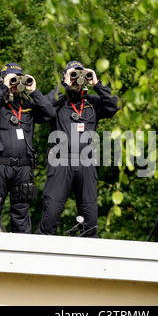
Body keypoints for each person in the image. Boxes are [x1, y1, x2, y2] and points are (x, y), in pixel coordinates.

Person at [36, 60, 119, 237]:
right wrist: (65, 85)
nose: (77, 79)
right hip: (60, 162)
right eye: (73, 75)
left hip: (86, 163)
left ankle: (90, 259)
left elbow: (115, 105)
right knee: (51, 214)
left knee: (90, 219)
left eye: (80, 75)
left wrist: (97, 84)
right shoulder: (59, 102)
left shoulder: (93, 102)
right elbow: (43, 107)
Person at [0, 62, 55, 232]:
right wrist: (4, 88)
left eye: (18, 79)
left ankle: (20, 257)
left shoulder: (28, 106)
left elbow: (50, 114)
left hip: (23, 169)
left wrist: (34, 91)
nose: (16, 84)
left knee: (21, 215)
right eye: (13, 80)